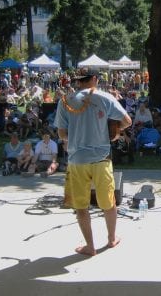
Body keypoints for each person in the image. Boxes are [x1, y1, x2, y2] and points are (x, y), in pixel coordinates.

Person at [54, 67, 131, 257]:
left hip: (77, 160)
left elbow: (62, 133)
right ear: (94, 79)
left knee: (81, 206)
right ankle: (111, 239)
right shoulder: (105, 97)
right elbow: (127, 121)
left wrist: (75, 138)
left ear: (78, 80)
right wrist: (114, 133)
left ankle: (90, 246)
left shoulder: (65, 100)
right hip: (101, 158)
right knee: (108, 202)